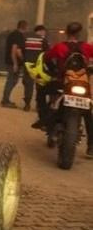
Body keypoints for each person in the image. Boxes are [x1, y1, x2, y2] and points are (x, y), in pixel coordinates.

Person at [43, 21, 93, 158]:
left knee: (52, 103)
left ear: (66, 32)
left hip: (62, 83)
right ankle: (91, 146)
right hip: (83, 85)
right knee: (88, 113)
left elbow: (46, 58)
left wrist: (54, 70)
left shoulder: (59, 47)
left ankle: (48, 127)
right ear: (79, 33)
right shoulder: (87, 47)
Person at [22, 24, 49, 118]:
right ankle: (38, 105)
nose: (44, 33)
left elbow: (21, 51)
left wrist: (24, 61)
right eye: (44, 31)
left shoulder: (26, 39)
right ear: (41, 31)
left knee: (28, 86)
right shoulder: (43, 40)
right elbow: (47, 53)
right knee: (39, 86)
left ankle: (27, 104)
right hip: (39, 67)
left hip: (28, 66)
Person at [1, 20, 27, 108]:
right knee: (12, 81)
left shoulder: (12, 34)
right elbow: (15, 50)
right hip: (13, 62)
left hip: (10, 61)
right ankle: (5, 100)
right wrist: (16, 63)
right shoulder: (18, 36)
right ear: (24, 27)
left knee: (11, 81)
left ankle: (5, 99)